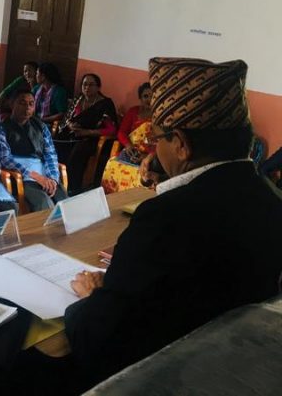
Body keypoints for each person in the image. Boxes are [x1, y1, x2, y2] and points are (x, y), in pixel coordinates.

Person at [42, 57, 282, 393]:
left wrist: (92, 298)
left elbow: (99, 337)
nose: (155, 149)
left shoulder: (165, 217)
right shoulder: (271, 199)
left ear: (181, 144)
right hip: (233, 371)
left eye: (158, 139)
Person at [0, 89, 67, 212]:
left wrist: (53, 179)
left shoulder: (41, 126)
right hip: (22, 178)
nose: (27, 107)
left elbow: (50, 154)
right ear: (12, 104)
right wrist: (36, 176)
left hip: (45, 176)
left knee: (64, 202)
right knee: (44, 203)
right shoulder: (1, 128)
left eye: (31, 104)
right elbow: (4, 159)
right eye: (22, 103)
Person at [54, 73, 118, 195]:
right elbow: (67, 118)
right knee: (56, 143)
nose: (87, 87)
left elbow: (111, 130)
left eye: (91, 85)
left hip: (92, 139)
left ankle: (72, 187)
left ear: (98, 87)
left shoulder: (105, 104)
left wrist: (87, 132)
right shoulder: (78, 100)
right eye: (84, 84)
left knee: (78, 150)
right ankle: (55, 180)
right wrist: (71, 125)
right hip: (73, 134)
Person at [101, 82, 154, 193]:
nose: (149, 99)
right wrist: (128, 146)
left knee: (146, 170)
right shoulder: (133, 112)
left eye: (152, 96)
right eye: (145, 96)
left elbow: (161, 142)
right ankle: (112, 197)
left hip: (151, 155)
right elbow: (121, 132)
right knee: (114, 163)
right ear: (140, 98)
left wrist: (146, 156)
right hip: (132, 150)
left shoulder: (159, 115)